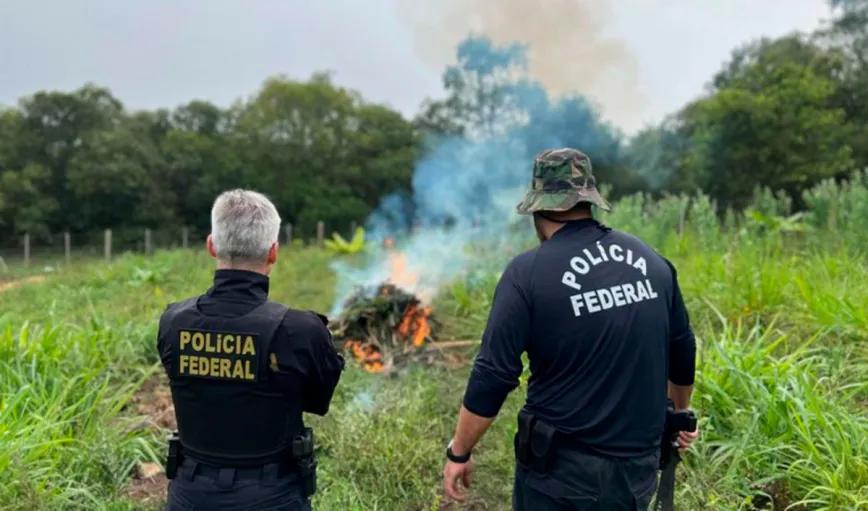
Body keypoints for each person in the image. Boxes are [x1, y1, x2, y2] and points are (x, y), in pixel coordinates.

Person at [441, 148, 699, 510]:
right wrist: (676, 415)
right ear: (589, 201)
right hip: (637, 473)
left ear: (537, 209)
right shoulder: (651, 261)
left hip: (560, 478)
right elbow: (682, 349)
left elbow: (493, 375)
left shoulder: (526, 274)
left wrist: (459, 452)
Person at [157, 189, 344, 510]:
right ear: (273, 252)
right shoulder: (302, 330)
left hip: (190, 495)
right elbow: (317, 400)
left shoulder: (173, 321)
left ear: (211, 245)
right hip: (272, 496)